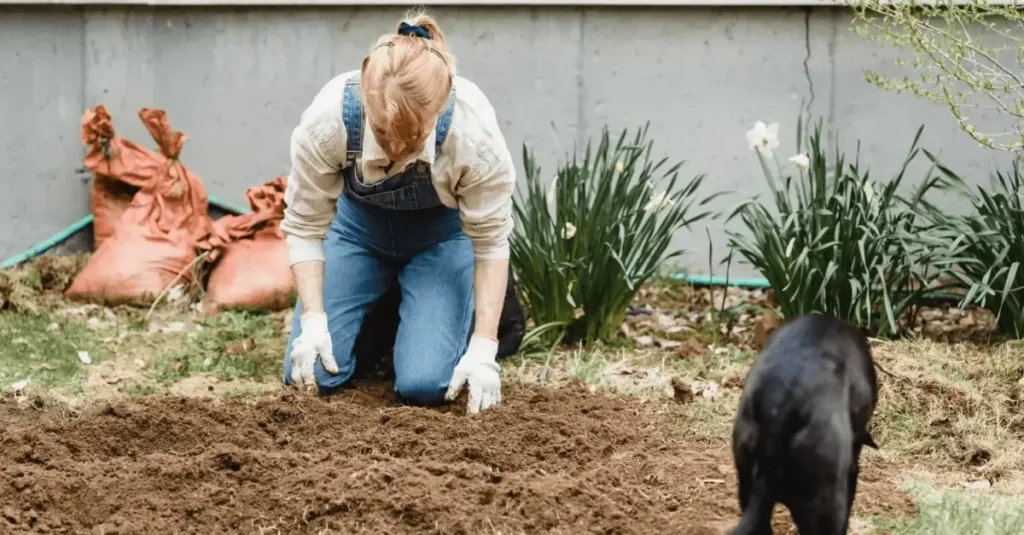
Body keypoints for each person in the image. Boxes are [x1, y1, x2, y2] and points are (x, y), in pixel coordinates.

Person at [279, 10, 516, 415]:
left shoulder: (473, 136)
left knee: (425, 385)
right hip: (357, 232)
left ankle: (441, 314)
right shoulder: (330, 120)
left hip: (441, 239)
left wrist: (484, 348)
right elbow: (304, 224)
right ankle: (387, 312)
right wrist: (315, 319)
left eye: (412, 137)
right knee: (313, 374)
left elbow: (491, 242)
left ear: (439, 109)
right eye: (384, 133)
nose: (395, 150)